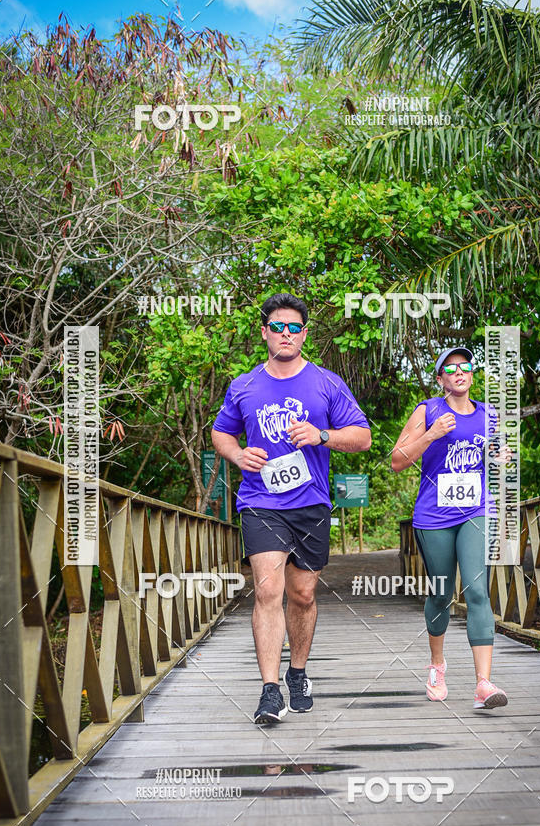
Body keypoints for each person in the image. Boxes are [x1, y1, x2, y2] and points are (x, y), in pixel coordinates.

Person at [211, 293, 371, 724]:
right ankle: (269, 690)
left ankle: (297, 673)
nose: (286, 334)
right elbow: (220, 433)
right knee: (267, 591)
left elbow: (362, 437)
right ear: (264, 332)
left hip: (312, 503)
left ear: (304, 334)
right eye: (277, 327)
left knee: (302, 595)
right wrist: (237, 455)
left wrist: (322, 436)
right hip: (261, 502)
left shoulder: (326, 383)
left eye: (294, 328)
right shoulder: (244, 385)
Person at [391, 347, 508, 709]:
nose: (459, 372)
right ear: (440, 378)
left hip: (474, 511)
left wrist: (502, 457)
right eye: (451, 368)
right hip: (434, 516)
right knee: (442, 594)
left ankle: (483, 684)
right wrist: (431, 435)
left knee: (477, 591)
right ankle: (437, 666)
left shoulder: (490, 415)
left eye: (466, 367)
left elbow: (499, 460)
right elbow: (397, 461)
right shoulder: (428, 410)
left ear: (472, 375)